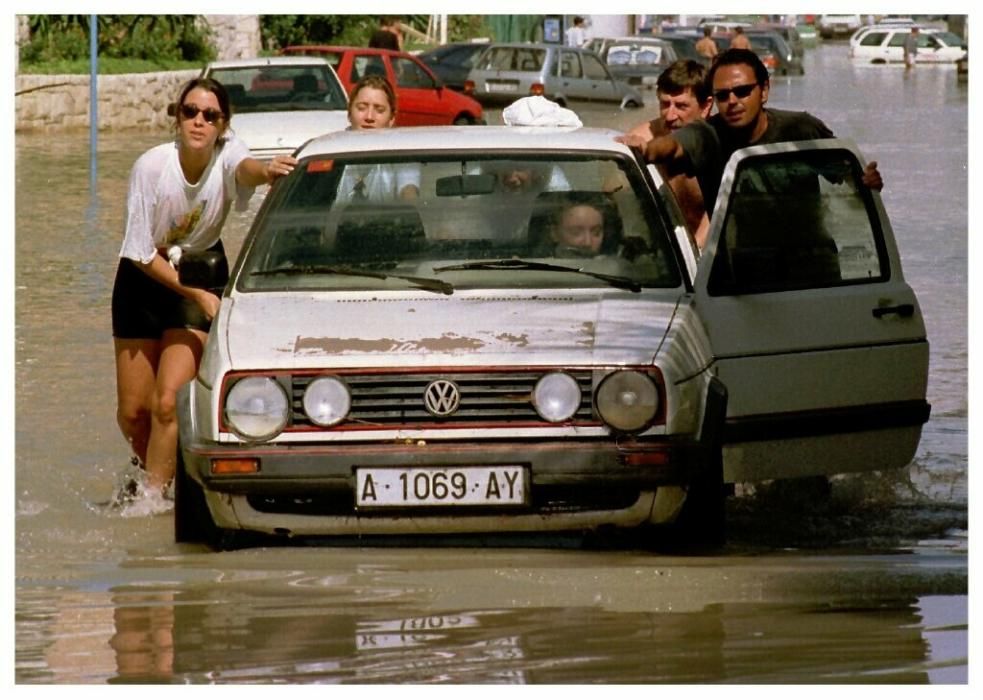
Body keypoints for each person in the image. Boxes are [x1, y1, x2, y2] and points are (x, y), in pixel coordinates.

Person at [112, 77, 296, 503]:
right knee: (133, 414)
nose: (198, 121)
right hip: (143, 279)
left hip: (201, 274)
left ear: (222, 125)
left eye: (209, 115)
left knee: (167, 402)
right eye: (189, 112)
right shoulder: (151, 167)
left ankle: (153, 504)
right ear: (177, 118)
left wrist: (268, 171)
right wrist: (193, 294)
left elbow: (246, 168)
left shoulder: (228, 154)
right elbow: (139, 252)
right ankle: (160, 475)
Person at [616, 49, 883, 217]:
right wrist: (646, 149)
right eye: (723, 95)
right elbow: (672, 146)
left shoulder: (801, 129)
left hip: (812, 272)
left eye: (742, 91)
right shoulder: (707, 135)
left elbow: (848, 177)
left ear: (764, 91)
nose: (732, 101)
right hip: (737, 280)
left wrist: (866, 181)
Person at [624, 60, 713, 248]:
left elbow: (719, 212)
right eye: (665, 104)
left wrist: (695, 256)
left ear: (706, 107)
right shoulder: (641, 138)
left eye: (681, 106)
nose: (670, 116)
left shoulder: (719, 144)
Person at [339, 75, 419, 201]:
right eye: (361, 108)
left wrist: (409, 200)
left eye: (379, 110)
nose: (369, 116)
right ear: (349, 113)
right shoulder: (328, 151)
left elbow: (409, 190)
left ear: (392, 118)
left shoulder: (402, 153)